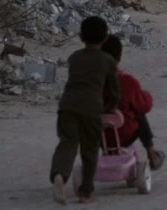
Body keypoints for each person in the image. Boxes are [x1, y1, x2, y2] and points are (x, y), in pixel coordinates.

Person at [50, 16, 120, 205]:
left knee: (67, 143)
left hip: (67, 105)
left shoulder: (74, 58)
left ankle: (60, 175)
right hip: (91, 108)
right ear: (105, 38)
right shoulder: (107, 60)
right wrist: (110, 107)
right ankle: (86, 192)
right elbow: (114, 91)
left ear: (81, 37)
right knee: (89, 150)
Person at [100, 36, 166, 172]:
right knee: (139, 113)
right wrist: (145, 95)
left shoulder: (91, 82)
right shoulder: (127, 82)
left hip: (98, 135)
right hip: (125, 134)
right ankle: (152, 154)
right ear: (119, 57)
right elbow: (145, 105)